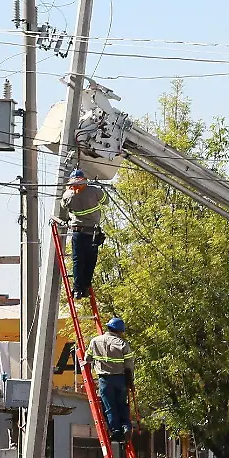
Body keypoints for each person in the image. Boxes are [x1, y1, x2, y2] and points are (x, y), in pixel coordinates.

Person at [58, 169, 108, 298]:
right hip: (92, 233)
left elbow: (63, 206)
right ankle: (85, 287)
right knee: (90, 261)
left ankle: (78, 289)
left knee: (78, 261)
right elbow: (105, 201)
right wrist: (98, 187)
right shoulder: (94, 191)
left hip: (78, 233)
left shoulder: (67, 195)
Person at [86, 317, 136, 441]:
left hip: (104, 379)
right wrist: (131, 380)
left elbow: (88, 358)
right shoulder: (122, 344)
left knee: (109, 406)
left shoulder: (95, 341)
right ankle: (126, 427)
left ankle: (116, 430)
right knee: (122, 404)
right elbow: (129, 364)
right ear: (120, 331)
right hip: (121, 379)